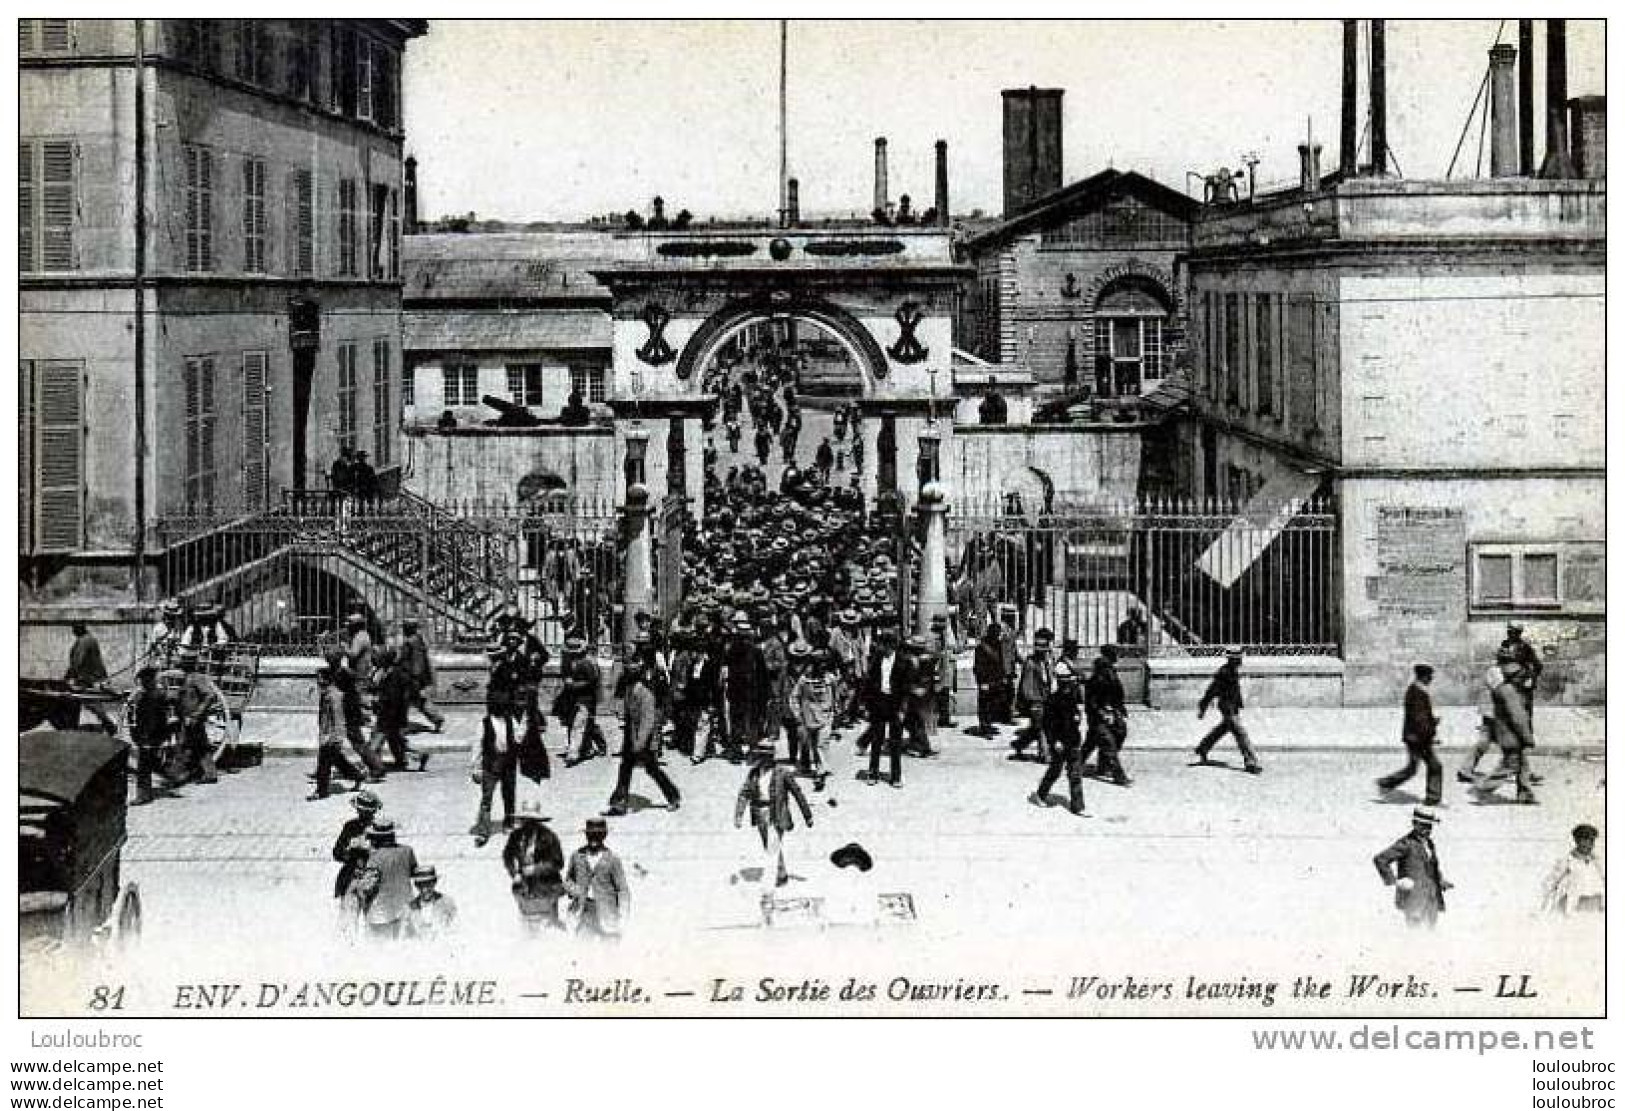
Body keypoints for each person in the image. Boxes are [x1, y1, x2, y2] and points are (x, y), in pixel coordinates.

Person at [606, 650, 682, 817]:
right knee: (625, 769)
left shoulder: (645, 694)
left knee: (652, 769)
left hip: (642, 739)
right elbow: (625, 711)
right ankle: (619, 803)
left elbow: (648, 722)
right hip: (631, 736)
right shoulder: (629, 690)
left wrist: (639, 744)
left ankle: (673, 796)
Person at [735, 747, 815, 894]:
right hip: (760, 813)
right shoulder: (753, 774)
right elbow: (744, 793)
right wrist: (738, 815)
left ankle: (774, 879)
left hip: (777, 814)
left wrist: (807, 815)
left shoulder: (782, 773)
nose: (754, 760)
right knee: (770, 845)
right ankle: (782, 873)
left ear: (767, 758)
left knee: (772, 845)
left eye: (758, 757)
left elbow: (797, 793)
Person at [471, 645, 525, 846]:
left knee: (509, 794)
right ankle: (483, 829)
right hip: (491, 763)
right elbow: (477, 746)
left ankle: (509, 821)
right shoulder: (485, 724)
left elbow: (519, 737)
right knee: (487, 798)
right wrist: (475, 766)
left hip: (508, 762)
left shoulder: (512, 722)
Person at [1373, 807, 1451, 929]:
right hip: (1413, 898)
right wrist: (1394, 882)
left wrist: (1440, 880)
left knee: (1431, 931)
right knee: (1415, 934)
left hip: (1431, 896)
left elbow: (1432, 866)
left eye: (1430, 826)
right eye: (1424, 825)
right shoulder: (1406, 843)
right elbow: (1380, 859)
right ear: (1414, 824)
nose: (1428, 829)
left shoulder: (1429, 843)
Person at [1479, 648, 1538, 805]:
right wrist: (1528, 737)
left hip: (1506, 733)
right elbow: (1518, 718)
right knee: (1510, 765)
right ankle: (1483, 788)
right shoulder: (1509, 691)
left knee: (1523, 763)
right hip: (1513, 735)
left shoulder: (1502, 688)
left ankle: (1525, 794)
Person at [1376, 664, 1442, 805]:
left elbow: (1420, 717)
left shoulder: (1415, 690)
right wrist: (1430, 731)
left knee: (1412, 768)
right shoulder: (1418, 693)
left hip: (1414, 736)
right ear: (1424, 677)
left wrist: (1431, 723)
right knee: (1435, 766)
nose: (1431, 679)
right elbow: (1420, 719)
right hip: (1419, 738)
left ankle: (1386, 783)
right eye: (1430, 676)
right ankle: (1433, 797)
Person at [1029, 659, 1086, 816]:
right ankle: (1041, 794)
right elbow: (1048, 724)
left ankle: (1078, 806)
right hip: (1060, 743)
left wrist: (1077, 719)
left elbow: (1075, 715)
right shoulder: (1053, 700)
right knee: (1055, 770)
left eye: (1070, 680)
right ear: (1060, 681)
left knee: (1075, 774)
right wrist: (1054, 741)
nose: (1068, 684)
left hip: (1073, 740)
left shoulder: (1073, 696)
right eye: (1065, 681)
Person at [1194, 648, 1262, 774]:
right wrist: (1203, 707)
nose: (1241, 660)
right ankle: (1251, 762)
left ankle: (1203, 747)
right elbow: (1211, 690)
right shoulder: (1224, 672)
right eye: (1238, 658)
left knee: (1223, 728)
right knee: (1241, 733)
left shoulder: (1232, 671)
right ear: (1232, 659)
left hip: (1233, 706)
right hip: (1227, 707)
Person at [504, 800, 566, 933]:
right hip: (525, 887)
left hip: (546, 887)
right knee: (527, 922)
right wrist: (514, 873)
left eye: (532, 820)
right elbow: (507, 856)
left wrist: (536, 869)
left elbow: (558, 862)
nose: (528, 823)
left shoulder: (549, 837)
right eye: (525, 819)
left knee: (548, 925)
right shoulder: (516, 836)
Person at [565, 817, 630, 940]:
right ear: (586, 835)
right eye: (590, 834)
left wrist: (623, 917)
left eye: (598, 834)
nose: (593, 838)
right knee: (582, 951)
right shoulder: (577, 856)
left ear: (604, 835)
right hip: (584, 912)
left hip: (608, 912)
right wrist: (574, 890)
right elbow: (568, 880)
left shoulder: (612, 859)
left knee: (610, 953)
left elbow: (622, 890)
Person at [860, 628, 909, 789]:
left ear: (893, 647)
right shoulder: (877, 660)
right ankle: (873, 772)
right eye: (883, 646)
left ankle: (896, 776)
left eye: (888, 647)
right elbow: (869, 683)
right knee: (876, 740)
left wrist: (902, 709)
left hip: (894, 703)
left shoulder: (902, 661)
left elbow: (906, 687)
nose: (885, 649)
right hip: (879, 702)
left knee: (895, 742)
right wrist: (867, 706)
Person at [355, 817, 418, 941]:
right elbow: (413, 872)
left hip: (380, 915)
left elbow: (367, 887)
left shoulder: (374, 858)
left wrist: (359, 883)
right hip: (405, 911)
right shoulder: (407, 851)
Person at [310, 667, 366, 800]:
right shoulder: (326, 694)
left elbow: (338, 718)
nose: (317, 680)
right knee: (339, 762)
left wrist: (337, 737)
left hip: (331, 736)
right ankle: (357, 776)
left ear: (326, 679)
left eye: (319, 677)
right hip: (327, 734)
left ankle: (321, 791)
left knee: (323, 764)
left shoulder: (334, 696)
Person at [1079, 646, 1132, 786]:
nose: (1118, 658)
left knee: (1094, 742)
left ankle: (1082, 765)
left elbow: (1116, 694)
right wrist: (1103, 713)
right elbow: (1092, 702)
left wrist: (1119, 709)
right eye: (1116, 655)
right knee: (1108, 744)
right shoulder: (1098, 678)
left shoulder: (1110, 672)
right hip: (1099, 717)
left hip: (1111, 714)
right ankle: (1119, 776)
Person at [371, 647, 430, 772]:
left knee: (375, 744)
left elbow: (393, 698)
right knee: (397, 742)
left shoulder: (395, 675)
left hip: (389, 715)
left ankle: (375, 768)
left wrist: (379, 702)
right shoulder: (387, 672)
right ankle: (418, 755)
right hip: (394, 715)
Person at [175, 647, 223, 784]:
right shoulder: (187, 678)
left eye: (185, 662)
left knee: (185, 744)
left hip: (193, 718)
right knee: (198, 744)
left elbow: (210, 695)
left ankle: (180, 774)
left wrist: (196, 715)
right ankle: (208, 773)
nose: (182, 664)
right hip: (188, 717)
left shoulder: (196, 678)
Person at [788, 645, 834, 787]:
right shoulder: (804, 680)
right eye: (819, 664)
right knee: (812, 745)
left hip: (825, 716)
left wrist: (836, 712)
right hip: (809, 718)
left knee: (821, 744)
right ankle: (811, 765)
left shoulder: (830, 679)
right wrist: (797, 714)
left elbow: (837, 696)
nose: (822, 667)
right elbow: (793, 697)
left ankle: (820, 773)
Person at [128, 665, 173, 806]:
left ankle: (143, 795)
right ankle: (172, 776)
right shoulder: (155, 695)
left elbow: (152, 721)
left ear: (147, 681)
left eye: (142, 681)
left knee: (143, 767)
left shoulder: (150, 698)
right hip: (152, 736)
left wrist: (146, 740)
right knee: (153, 763)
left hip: (149, 737)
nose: (141, 683)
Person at [557, 636, 606, 765]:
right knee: (580, 723)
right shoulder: (568, 663)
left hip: (586, 698)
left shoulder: (587, 663)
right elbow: (565, 676)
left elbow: (592, 682)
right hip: (572, 698)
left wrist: (574, 684)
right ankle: (585, 748)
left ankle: (573, 753)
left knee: (579, 724)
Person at [65, 621, 118, 733]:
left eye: (74, 629)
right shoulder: (89, 639)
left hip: (88, 677)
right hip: (90, 675)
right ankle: (107, 722)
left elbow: (78, 661)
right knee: (86, 700)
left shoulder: (85, 641)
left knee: (88, 700)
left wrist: (68, 675)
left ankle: (109, 723)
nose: (73, 632)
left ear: (79, 629)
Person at [1012, 628, 1055, 761]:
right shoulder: (1031, 662)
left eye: (1043, 646)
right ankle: (1045, 754)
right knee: (1042, 727)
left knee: (1036, 728)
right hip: (1036, 701)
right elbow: (1026, 685)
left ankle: (1020, 743)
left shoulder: (1049, 660)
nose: (1039, 649)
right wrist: (1031, 702)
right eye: (1037, 645)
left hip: (1047, 699)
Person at [1541, 824, 1604, 916]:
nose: (1588, 844)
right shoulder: (1567, 861)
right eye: (1584, 840)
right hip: (1574, 907)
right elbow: (1550, 883)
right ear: (1577, 841)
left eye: (1591, 841)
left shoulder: (1598, 862)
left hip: (1596, 905)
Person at [330, 790, 381, 905]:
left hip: (374, 876)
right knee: (348, 915)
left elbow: (387, 852)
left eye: (368, 811)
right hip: (352, 875)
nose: (364, 814)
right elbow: (337, 852)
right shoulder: (350, 827)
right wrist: (351, 854)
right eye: (362, 810)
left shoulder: (380, 828)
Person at [397, 617, 445, 732]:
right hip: (412, 676)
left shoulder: (412, 641)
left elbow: (416, 662)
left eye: (405, 627)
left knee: (404, 701)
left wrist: (414, 677)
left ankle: (401, 725)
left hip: (411, 677)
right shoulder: (417, 639)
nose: (403, 629)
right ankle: (436, 718)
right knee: (417, 700)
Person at [406, 866, 458, 940]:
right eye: (421, 885)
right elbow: (405, 937)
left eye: (429, 885)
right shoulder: (410, 909)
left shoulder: (447, 903)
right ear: (416, 885)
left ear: (434, 883)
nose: (425, 890)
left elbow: (455, 930)